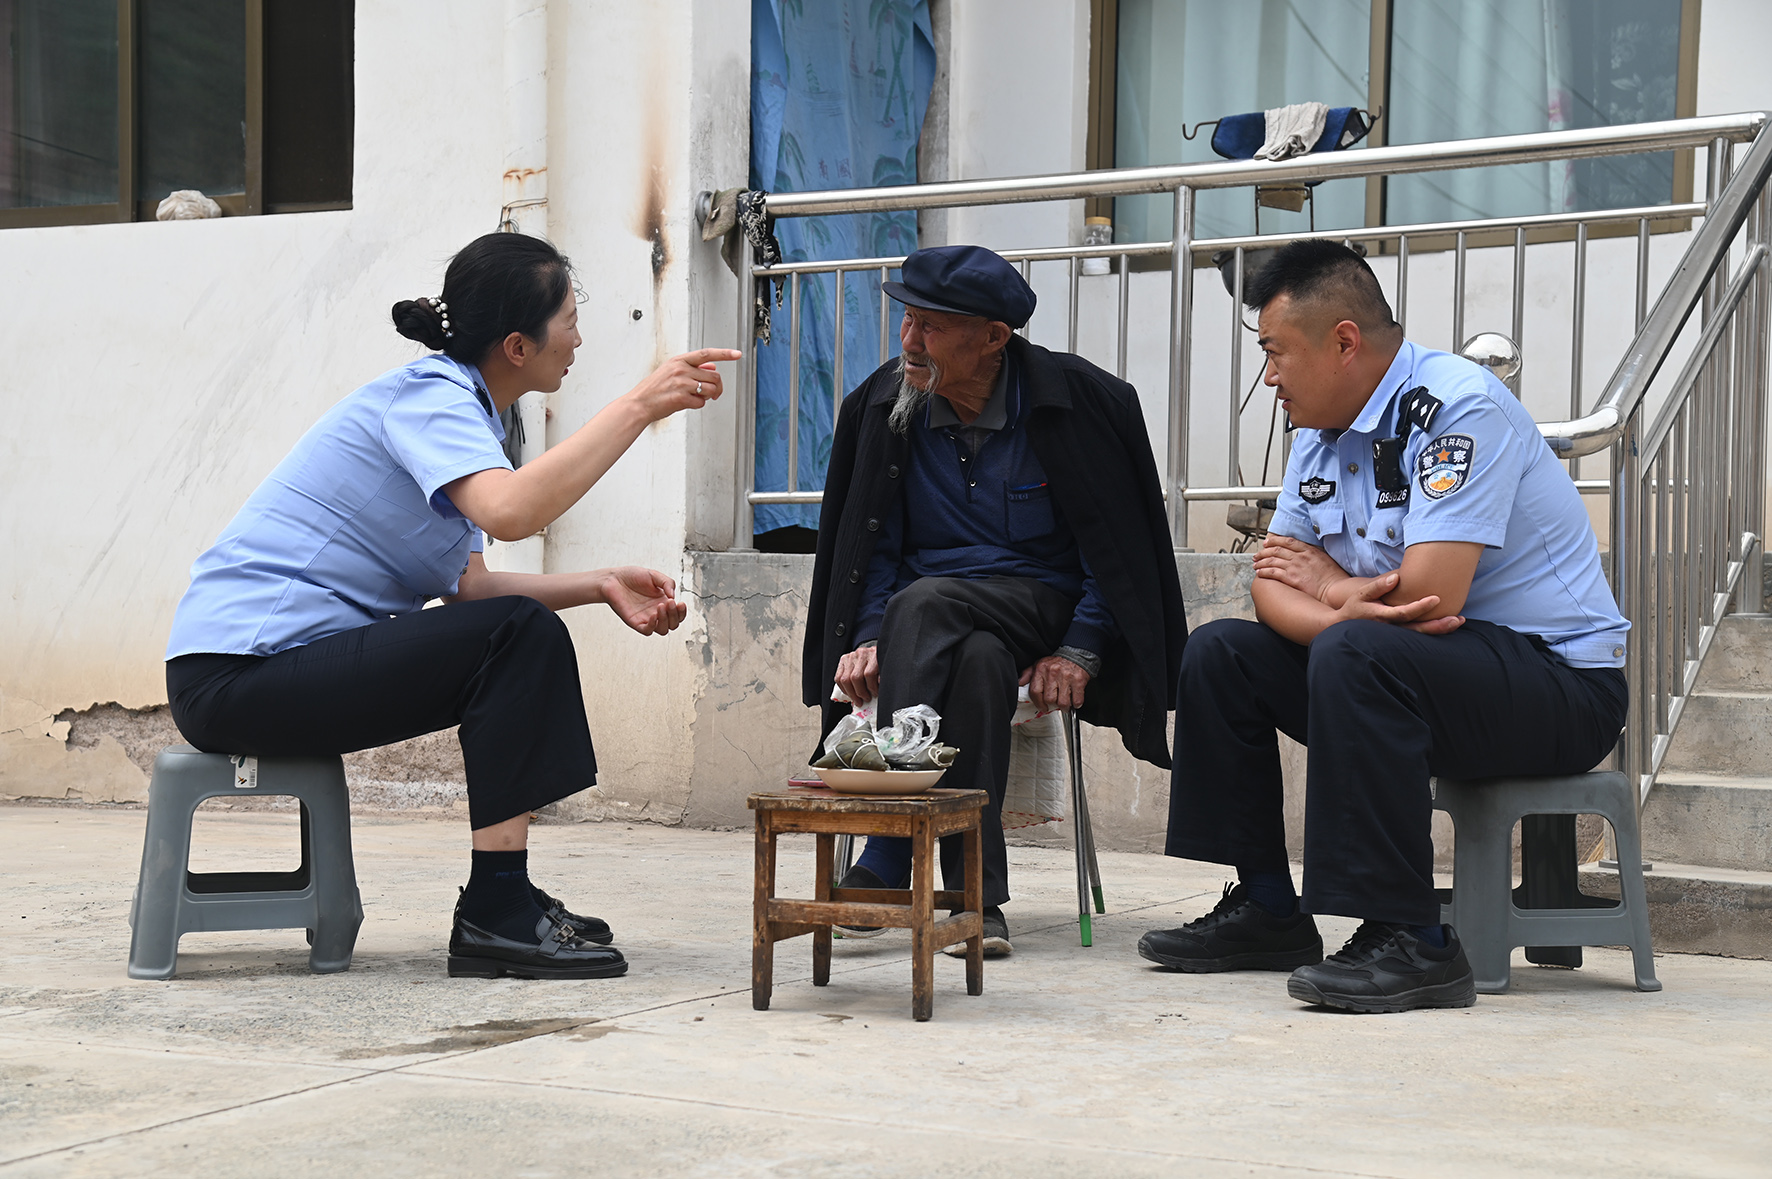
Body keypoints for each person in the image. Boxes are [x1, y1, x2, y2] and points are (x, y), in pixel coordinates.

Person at [164, 232, 741, 980]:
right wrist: (639, 405)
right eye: (569, 320)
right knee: (518, 635)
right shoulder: (429, 397)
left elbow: (471, 588)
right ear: (517, 346)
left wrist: (600, 584)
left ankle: (505, 893)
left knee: (516, 631)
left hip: (277, 669)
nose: (578, 338)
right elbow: (512, 513)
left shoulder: (471, 417)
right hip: (235, 673)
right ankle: (496, 906)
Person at [1139, 239, 1628, 1013]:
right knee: (1221, 651)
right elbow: (1270, 587)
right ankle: (1267, 906)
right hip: (1424, 672)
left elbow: (1429, 598)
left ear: (1343, 341)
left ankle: (1416, 941)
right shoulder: (1319, 429)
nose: (1269, 378)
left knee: (1357, 648)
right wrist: (1341, 601)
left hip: (1558, 684)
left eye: (1275, 353)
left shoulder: (1455, 407)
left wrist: (1329, 587)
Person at [805, 244, 1188, 956]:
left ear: (992, 337)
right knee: (976, 660)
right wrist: (866, 636)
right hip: (933, 626)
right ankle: (976, 901)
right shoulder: (885, 405)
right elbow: (870, 548)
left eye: (930, 326)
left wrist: (1080, 648)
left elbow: (1116, 552)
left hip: (1038, 604)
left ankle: (890, 846)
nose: (909, 341)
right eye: (906, 320)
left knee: (923, 604)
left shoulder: (1081, 403)